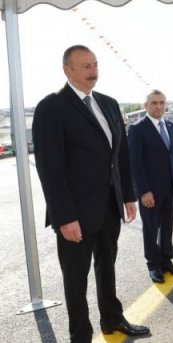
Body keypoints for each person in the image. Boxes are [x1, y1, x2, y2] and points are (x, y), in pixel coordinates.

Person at [32, 45, 149, 343]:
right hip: (75, 212)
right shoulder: (51, 107)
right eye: (85, 66)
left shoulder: (109, 104)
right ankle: (80, 335)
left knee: (107, 267)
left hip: (109, 205)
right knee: (76, 278)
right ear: (67, 70)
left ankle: (112, 319)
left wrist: (128, 195)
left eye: (95, 64)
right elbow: (50, 169)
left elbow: (120, 155)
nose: (93, 71)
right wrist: (64, 217)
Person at [128, 90, 173, 284]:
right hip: (150, 191)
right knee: (151, 228)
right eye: (154, 103)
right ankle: (154, 265)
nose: (158, 106)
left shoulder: (171, 126)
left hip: (170, 187)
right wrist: (143, 191)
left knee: (167, 225)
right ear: (146, 106)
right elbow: (135, 163)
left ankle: (166, 260)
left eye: (162, 103)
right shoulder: (137, 129)